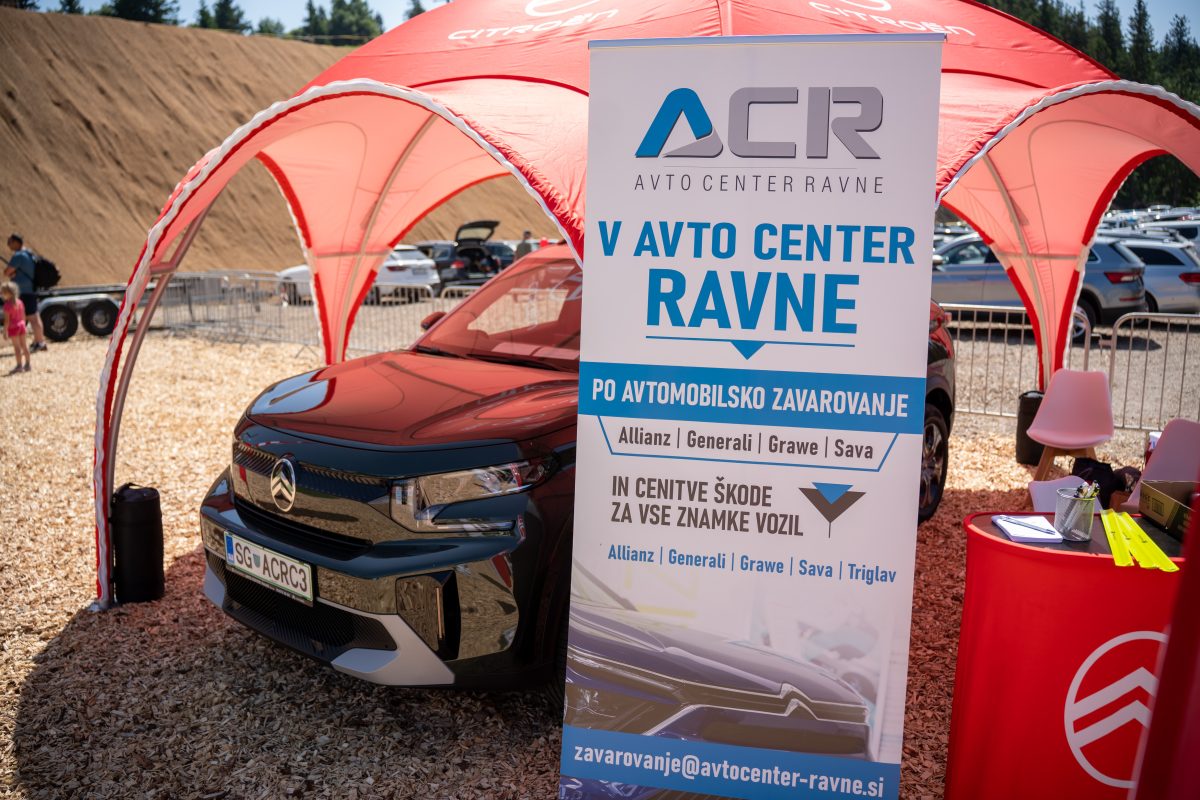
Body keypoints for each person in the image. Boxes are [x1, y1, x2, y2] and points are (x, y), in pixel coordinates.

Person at [5, 234, 46, 351]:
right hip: (30, 289)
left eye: (10, 242)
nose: (8, 245)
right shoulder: (29, 254)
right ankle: (39, 341)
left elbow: (7, 272)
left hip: (23, 291)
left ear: (16, 242)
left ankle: (39, 342)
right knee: (35, 316)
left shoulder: (18, 256)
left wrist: (12, 273)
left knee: (32, 317)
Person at [2, 281, 30, 374]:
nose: (2, 295)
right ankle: (28, 364)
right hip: (22, 325)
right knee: (24, 346)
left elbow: (7, 321)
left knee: (17, 347)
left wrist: (5, 331)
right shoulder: (20, 302)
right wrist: (24, 325)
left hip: (14, 327)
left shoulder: (7, 306)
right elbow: (23, 315)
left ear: (8, 293)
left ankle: (19, 366)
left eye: (3, 293)